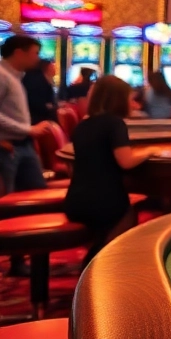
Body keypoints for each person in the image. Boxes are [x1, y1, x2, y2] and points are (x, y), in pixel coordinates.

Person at [63, 76, 152, 265]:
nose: (133, 104)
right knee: (128, 220)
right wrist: (149, 152)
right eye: (130, 98)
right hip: (103, 202)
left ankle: (95, 260)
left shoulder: (82, 125)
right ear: (118, 99)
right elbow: (126, 162)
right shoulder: (114, 124)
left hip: (75, 201)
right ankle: (96, 266)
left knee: (110, 233)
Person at [1, 35, 48, 278]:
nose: (38, 58)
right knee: (8, 205)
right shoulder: (2, 75)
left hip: (23, 146)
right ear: (19, 52)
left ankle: (25, 258)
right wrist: (27, 129)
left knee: (35, 198)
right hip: (8, 146)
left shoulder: (15, 77)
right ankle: (14, 259)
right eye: (34, 53)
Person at [22, 58, 58, 125]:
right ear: (47, 68)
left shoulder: (43, 79)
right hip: (36, 120)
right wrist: (50, 106)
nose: (55, 69)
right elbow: (36, 103)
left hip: (39, 118)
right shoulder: (36, 80)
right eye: (52, 66)